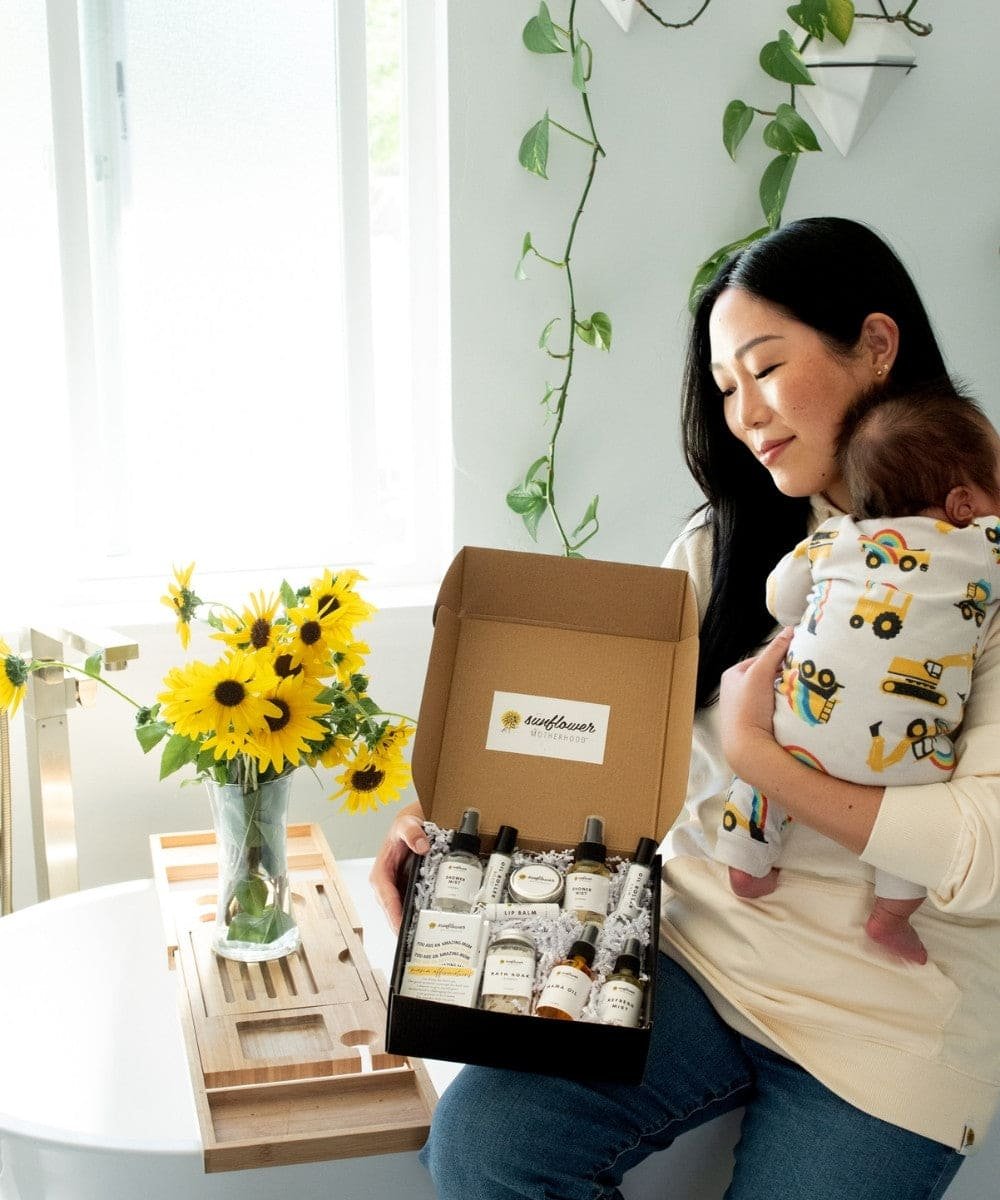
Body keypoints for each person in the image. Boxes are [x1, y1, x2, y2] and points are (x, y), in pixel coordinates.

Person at [370, 218, 999, 1199]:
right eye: (723, 389)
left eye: (764, 368)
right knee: (485, 1142)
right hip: (690, 958)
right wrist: (464, 836)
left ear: (876, 344)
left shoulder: (981, 565)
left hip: (891, 1021)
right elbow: (629, 782)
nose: (745, 414)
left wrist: (761, 756)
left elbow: (982, 853)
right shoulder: (727, 546)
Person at [716, 385, 1000, 965]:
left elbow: (779, 597)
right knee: (913, 835)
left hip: (792, 729)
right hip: (900, 763)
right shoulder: (987, 545)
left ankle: (747, 865)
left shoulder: (835, 536)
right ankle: (889, 917)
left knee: (755, 789)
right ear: (964, 503)